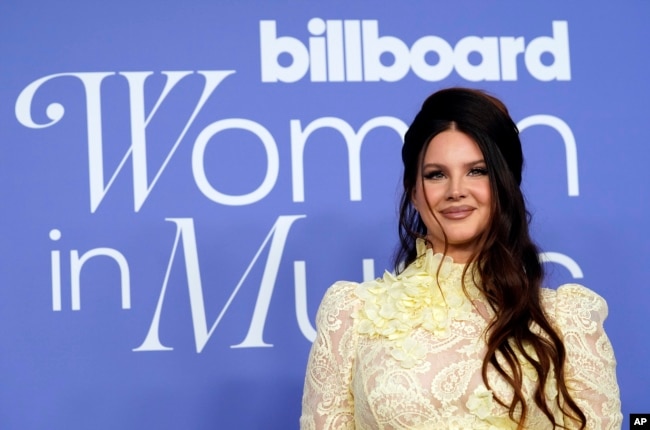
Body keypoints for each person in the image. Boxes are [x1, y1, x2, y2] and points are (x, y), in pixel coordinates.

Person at [300, 88, 622, 429]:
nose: (456, 190)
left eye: (477, 171)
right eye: (436, 174)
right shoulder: (350, 315)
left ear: (505, 183)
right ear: (414, 191)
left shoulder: (566, 322)